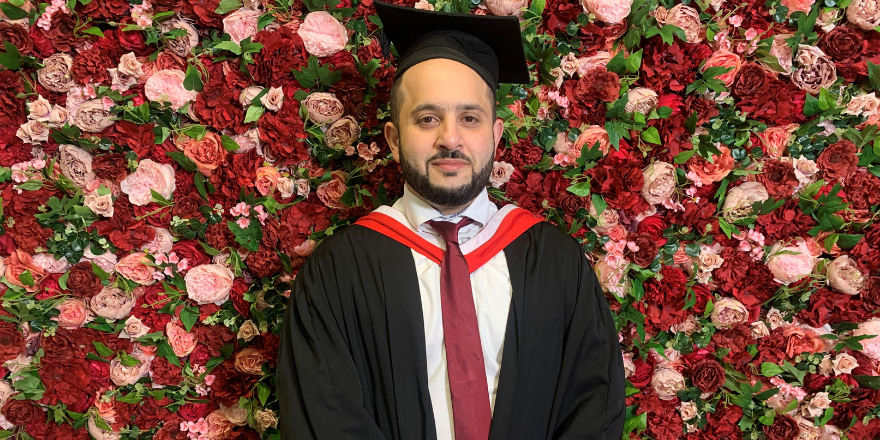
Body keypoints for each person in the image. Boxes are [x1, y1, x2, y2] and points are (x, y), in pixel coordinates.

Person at [276, 2, 626, 439]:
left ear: (495, 137)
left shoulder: (556, 263)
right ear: (394, 138)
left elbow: (595, 406)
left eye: (469, 118)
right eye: (427, 119)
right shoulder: (339, 272)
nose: (450, 138)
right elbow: (321, 417)